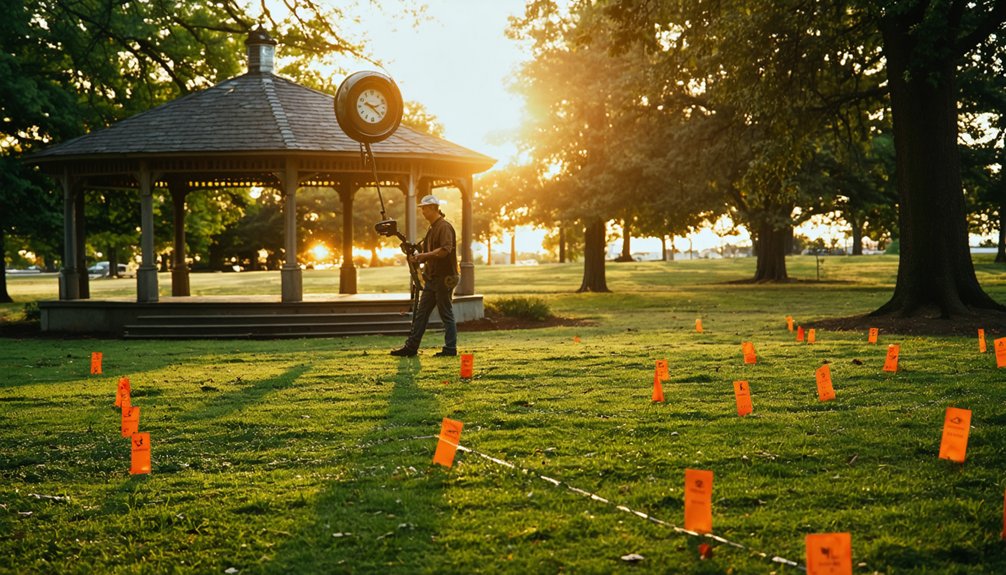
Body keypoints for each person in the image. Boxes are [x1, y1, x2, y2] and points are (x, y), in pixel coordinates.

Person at [390, 194, 459, 357]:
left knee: (446, 313)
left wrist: (423, 257)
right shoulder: (432, 228)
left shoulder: (444, 227)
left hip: (445, 277)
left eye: (424, 208)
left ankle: (450, 349)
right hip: (433, 278)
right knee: (421, 314)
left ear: (433, 208)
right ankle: (411, 347)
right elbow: (425, 251)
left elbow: (445, 250)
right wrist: (416, 253)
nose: (422, 211)